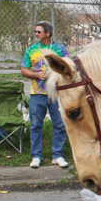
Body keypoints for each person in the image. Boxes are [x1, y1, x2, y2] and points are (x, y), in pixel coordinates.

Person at [20, 21, 70, 168]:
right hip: (37, 93)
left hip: (56, 93)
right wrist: (36, 74)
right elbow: (24, 70)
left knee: (59, 124)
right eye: (35, 32)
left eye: (38, 32)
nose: (36, 34)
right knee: (35, 125)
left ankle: (58, 155)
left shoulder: (59, 49)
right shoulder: (31, 49)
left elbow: (67, 67)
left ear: (47, 33)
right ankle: (36, 156)